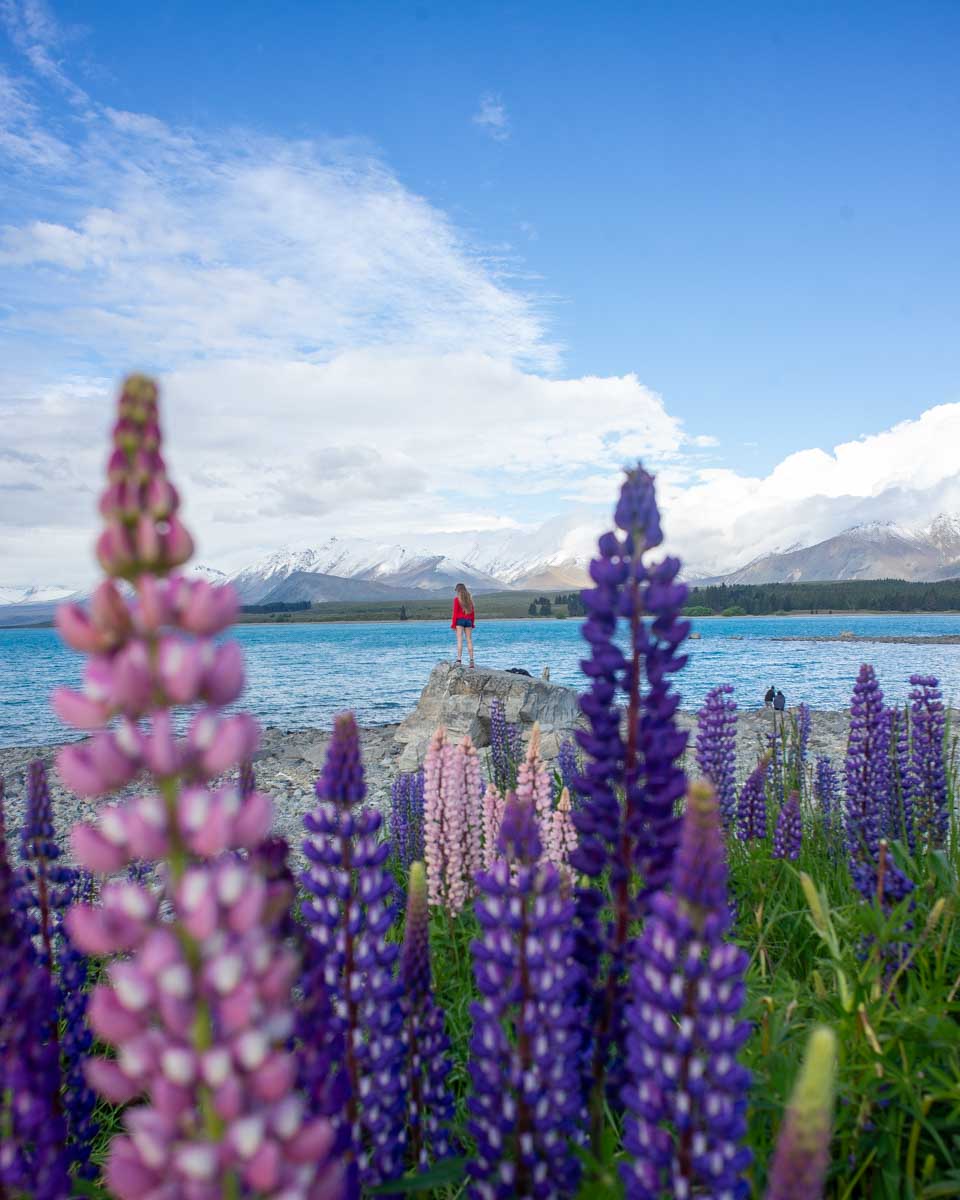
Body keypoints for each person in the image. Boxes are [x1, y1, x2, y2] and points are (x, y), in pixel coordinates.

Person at [451, 582, 476, 668]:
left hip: (459, 621)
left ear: (458, 590)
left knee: (459, 640)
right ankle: (471, 660)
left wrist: (453, 625)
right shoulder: (470, 599)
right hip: (468, 621)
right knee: (469, 640)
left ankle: (459, 660)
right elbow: (472, 613)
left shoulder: (456, 599)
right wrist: (472, 623)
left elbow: (455, 613)